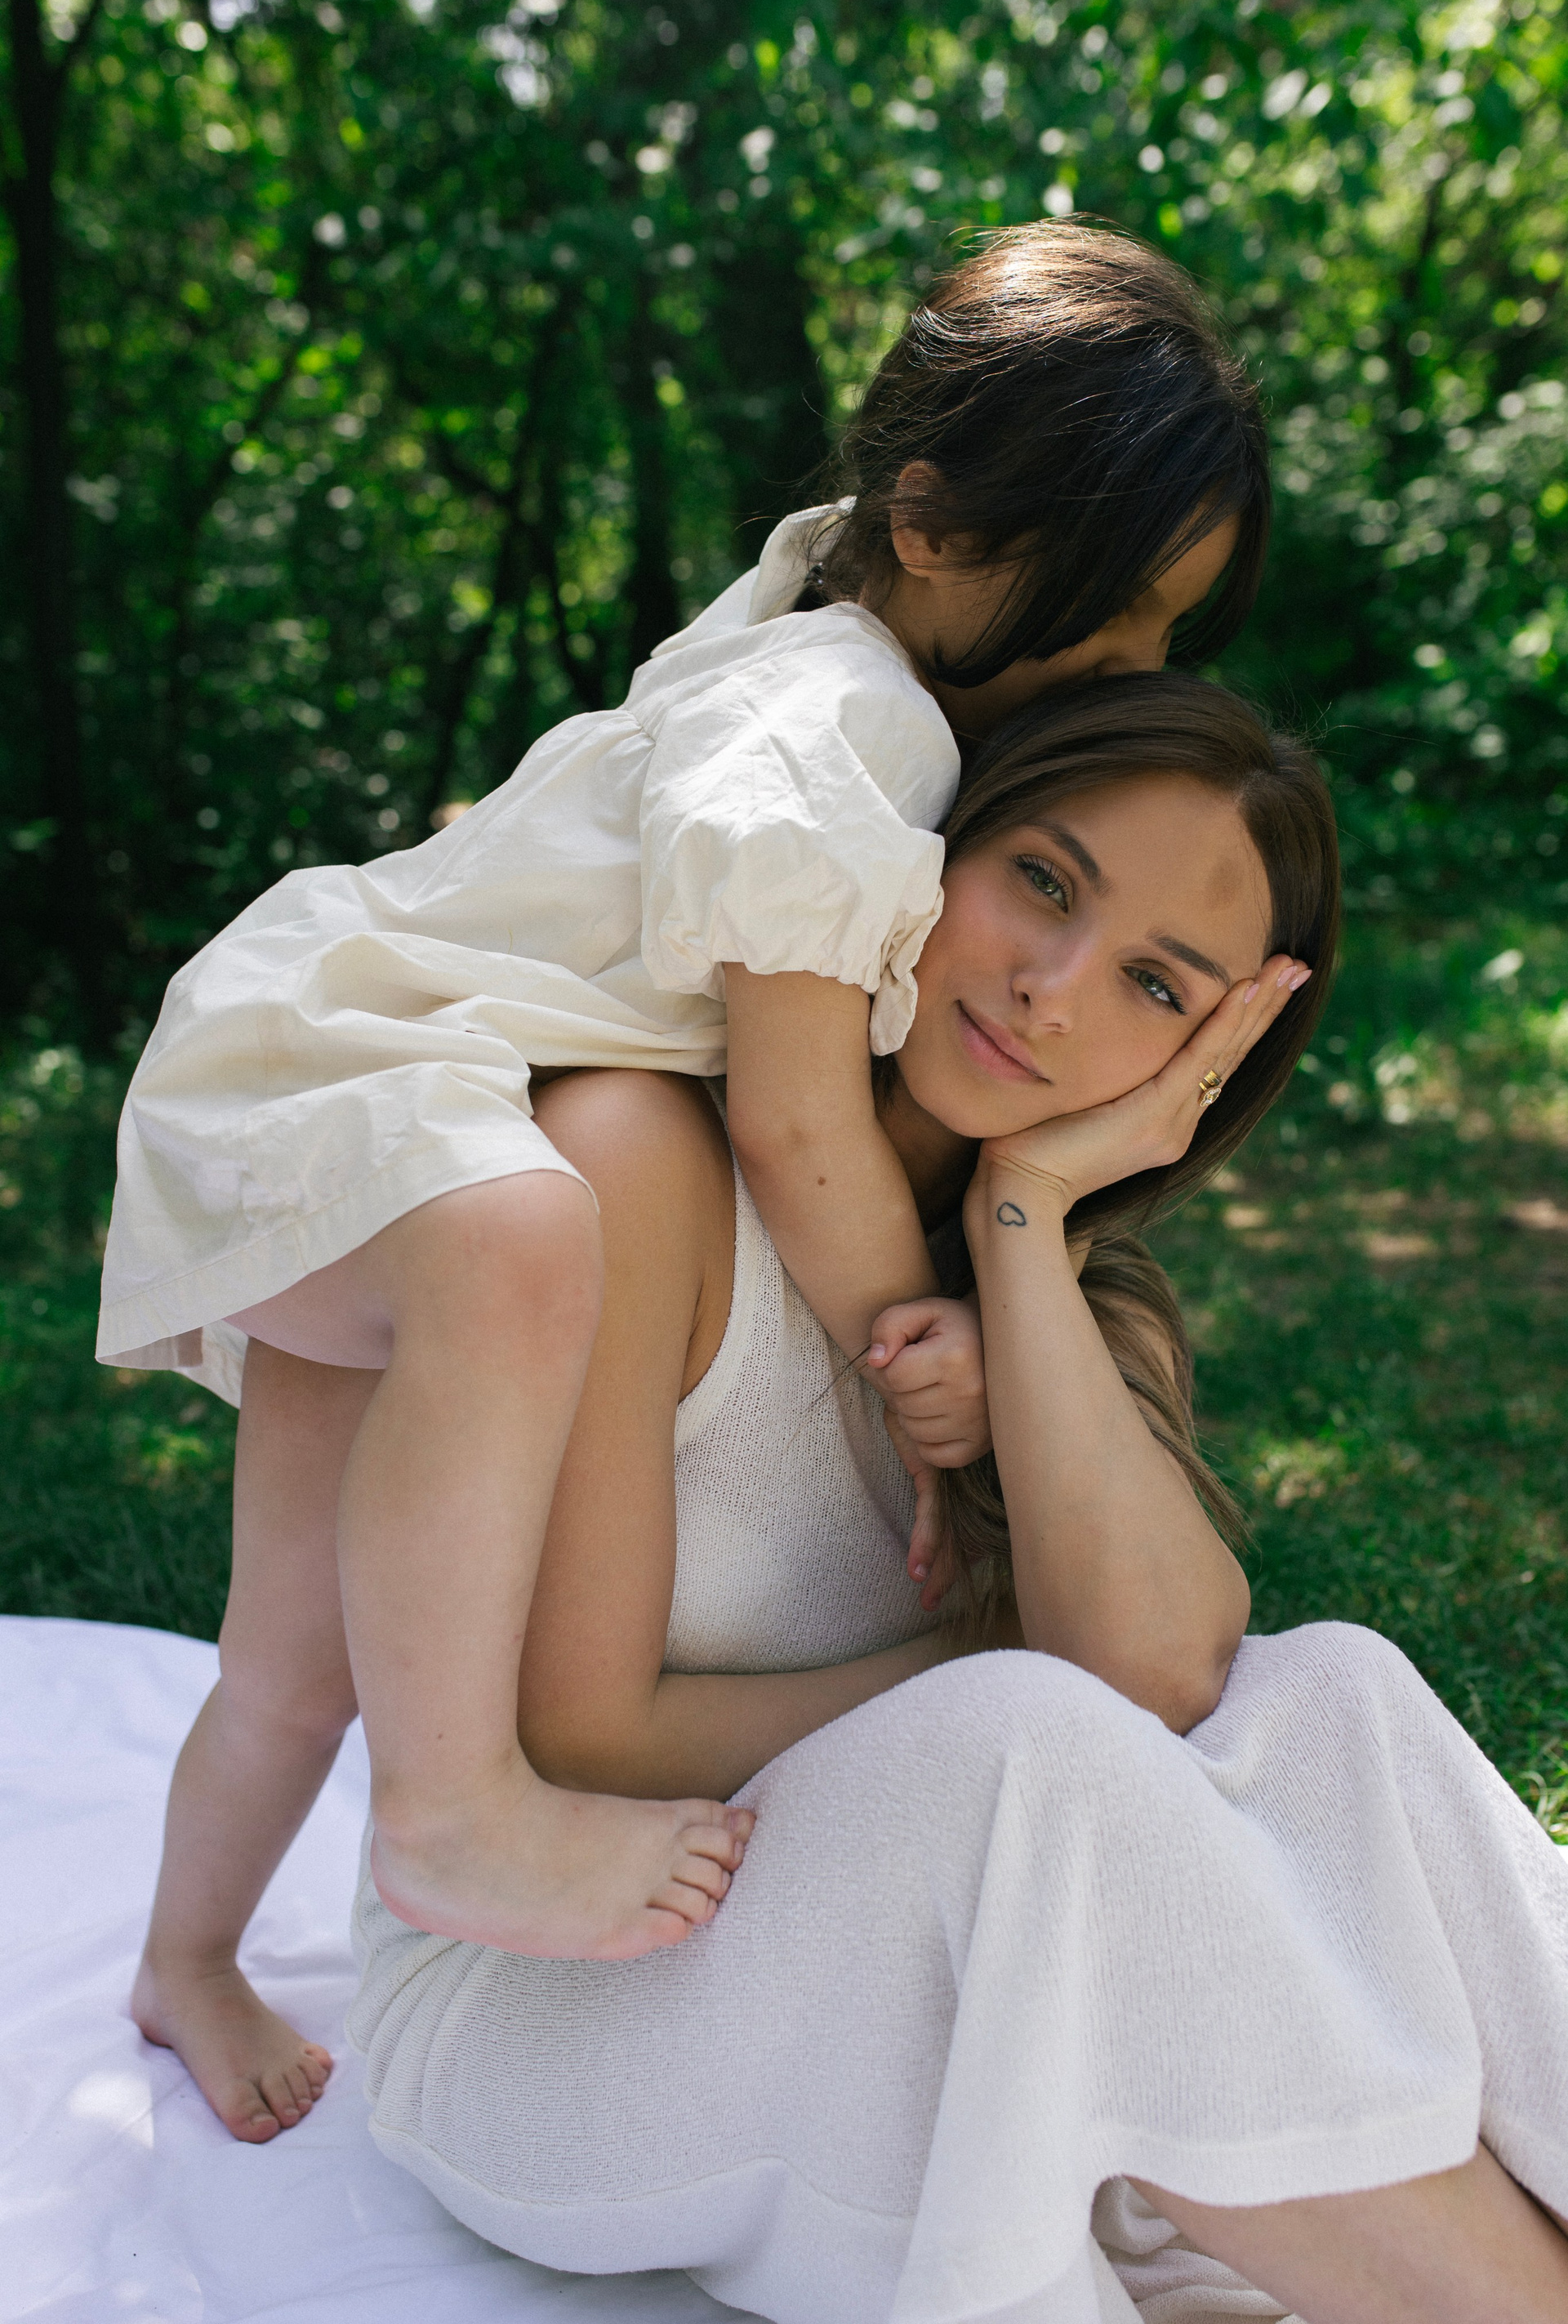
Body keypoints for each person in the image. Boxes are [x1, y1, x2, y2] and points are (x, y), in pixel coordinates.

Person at [106, 218, 1272, 2141]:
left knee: (290, 1656)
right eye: (1112, 616)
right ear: (933, 527)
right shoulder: (849, 727)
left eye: (1167, 634)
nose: (1128, 672)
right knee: (522, 1230)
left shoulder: (809, 622)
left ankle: (185, 1958)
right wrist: (918, 1356)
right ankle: (454, 1811)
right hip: (353, 1099)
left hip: (358, 1096)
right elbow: (798, 1128)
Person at [350, 676, 1568, 2324]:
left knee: (1335, 1689)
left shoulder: (1063, 1299)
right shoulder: (640, 1160)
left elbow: (1168, 1667)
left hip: (913, 1989)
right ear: (933, 855)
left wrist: (1025, 1213)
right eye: (1044, 883)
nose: (1051, 988)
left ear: (1202, 1062)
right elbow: (580, 1736)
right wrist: (981, 1681)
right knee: (1028, 1741)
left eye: (1153, 984)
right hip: (550, 2019)